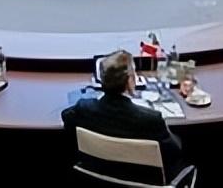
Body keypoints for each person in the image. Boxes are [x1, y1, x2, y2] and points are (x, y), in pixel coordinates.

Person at [61, 51, 183, 180]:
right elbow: (175, 151)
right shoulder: (151, 120)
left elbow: (66, 116)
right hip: (144, 180)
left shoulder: (84, 108)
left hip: (99, 177)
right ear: (130, 80)